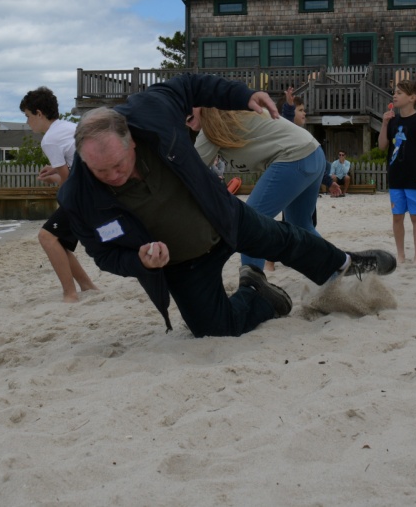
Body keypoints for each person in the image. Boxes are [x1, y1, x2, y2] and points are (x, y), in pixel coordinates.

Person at [57, 73, 396, 338]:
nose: (114, 176)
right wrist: (139, 261)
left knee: (285, 240)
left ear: (130, 140)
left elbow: (191, 85)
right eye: (101, 171)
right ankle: (261, 294)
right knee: (214, 329)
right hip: (183, 264)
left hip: (222, 217)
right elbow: (103, 254)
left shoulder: (151, 111)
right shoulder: (78, 197)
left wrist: (241, 95)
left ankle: (348, 264)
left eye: (118, 165)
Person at [190, 106, 325, 273]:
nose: (184, 112)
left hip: (294, 157)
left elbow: (189, 172)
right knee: (301, 224)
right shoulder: (229, 114)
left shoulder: (212, 127)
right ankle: (339, 267)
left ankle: (251, 286)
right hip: (314, 152)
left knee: (250, 226)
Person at [20, 86, 98, 303]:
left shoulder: (50, 139)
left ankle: (70, 294)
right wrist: (55, 173)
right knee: (58, 241)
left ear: (39, 113)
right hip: (95, 187)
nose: (27, 122)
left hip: (85, 194)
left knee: (46, 237)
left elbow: (67, 181)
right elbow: (73, 170)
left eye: (27, 116)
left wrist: (59, 187)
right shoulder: (67, 127)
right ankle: (87, 286)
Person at [380, 78, 416, 265]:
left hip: (415, 176)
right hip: (396, 176)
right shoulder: (392, 120)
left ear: (412, 97)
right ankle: (401, 255)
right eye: (394, 92)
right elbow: (382, 146)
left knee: (415, 216)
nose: (394, 96)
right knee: (397, 217)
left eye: (399, 93)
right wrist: (384, 124)